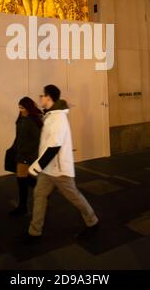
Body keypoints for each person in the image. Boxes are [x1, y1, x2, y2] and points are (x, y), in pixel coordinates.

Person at [27, 85, 99, 240]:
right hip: (48, 169)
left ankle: (93, 221)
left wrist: (35, 167)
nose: (40, 98)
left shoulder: (58, 118)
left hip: (59, 170)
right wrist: (40, 167)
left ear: (48, 97)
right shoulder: (51, 116)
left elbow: (54, 146)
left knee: (75, 197)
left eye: (42, 95)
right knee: (39, 195)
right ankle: (34, 232)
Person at [10, 97, 43, 216]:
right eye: (19, 108)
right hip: (20, 153)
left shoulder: (31, 120)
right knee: (22, 179)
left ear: (28, 108)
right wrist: (14, 147)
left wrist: (25, 150)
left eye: (22, 108)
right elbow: (19, 136)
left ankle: (23, 207)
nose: (20, 110)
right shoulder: (21, 119)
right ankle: (42, 190)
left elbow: (36, 139)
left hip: (27, 155)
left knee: (21, 180)